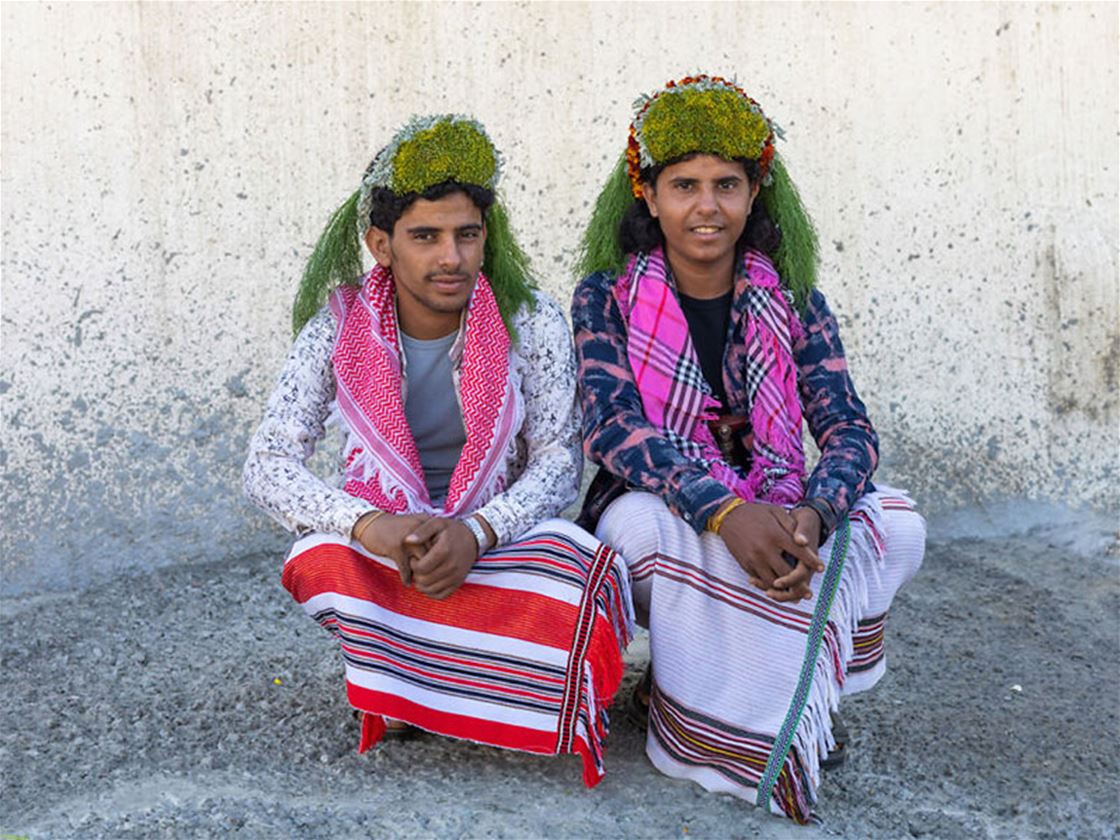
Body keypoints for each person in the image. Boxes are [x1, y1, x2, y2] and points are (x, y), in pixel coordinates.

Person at [570, 75, 926, 821]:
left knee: (897, 527)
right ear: (648, 195)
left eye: (727, 185)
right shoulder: (606, 296)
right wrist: (727, 512)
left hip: (785, 502)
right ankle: (691, 705)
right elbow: (612, 427)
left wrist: (813, 516)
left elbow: (848, 428)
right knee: (641, 531)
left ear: (755, 191)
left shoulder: (793, 298)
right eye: (684, 186)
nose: (707, 206)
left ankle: (802, 690)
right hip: (670, 509)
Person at [244, 114, 631, 787]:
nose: (451, 257)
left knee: (576, 565)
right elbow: (267, 464)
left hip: (496, 539)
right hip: (387, 546)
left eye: (466, 235)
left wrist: (476, 533)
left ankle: (414, 677)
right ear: (381, 244)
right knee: (318, 557)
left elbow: (558, 462)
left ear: (485, 238)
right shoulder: (338, 325)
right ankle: (440, 680)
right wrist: (372, 525)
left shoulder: (530, 318)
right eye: (425, 236)